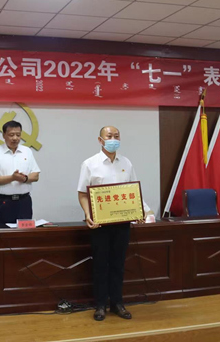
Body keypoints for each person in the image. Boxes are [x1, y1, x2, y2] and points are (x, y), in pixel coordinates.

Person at [77, 126, 150, 321]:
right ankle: (100, 305)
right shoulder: (90, 164)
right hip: (100, 224)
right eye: (109, 136)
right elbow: (82, 194)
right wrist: (87, 214)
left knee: (118, 264)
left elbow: (134, 191)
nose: (113, 139)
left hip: (122, 223)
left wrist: (140, 211)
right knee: (101, 264)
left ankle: (117, 303)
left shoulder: (126, 162)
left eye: (116, 136)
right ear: (100, 140)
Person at [0, 120, 40, 224]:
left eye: (18, 135)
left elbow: (35, 175)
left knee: (25, 232)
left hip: (24, 202)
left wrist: (25, 179)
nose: (15, 138)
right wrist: (12, 178)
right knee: (3, 231)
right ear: (4, 135)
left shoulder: (27, 151)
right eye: (11, 135)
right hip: (3, 202)